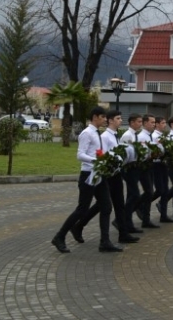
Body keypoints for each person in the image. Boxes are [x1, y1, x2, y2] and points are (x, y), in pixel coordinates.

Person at [51, 106, 122, 254]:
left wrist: (105, 160)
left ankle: (105, 241)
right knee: (82, 209)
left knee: (106, 207)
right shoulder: (87, 133)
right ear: (95, 117)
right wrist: (96, 160)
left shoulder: (97, 134)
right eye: (102, 117)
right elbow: (80, 155)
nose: (104, 120)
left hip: (99, 174)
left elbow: (98, 152)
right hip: (88, 175)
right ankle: (59, 236)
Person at [70, 110, 140, 245]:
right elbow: (103, 154)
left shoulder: (116, 135)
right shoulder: (105, 137)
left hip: (116, 173)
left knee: (118, 204)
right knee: (102, 206)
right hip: (108, 174)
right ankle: (79, 226)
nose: (120, 120)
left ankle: (123, 233)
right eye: (118, 118)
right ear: (110, 120)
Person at [118, 114, 146, 235]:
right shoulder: (127, 135)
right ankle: (124, 220)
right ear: (132, 122)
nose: (140, 123)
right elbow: (124, 153)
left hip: (135, 166)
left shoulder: (135, 135)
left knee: (132, 195)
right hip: (128, 167)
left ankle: (128, 223)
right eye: (139, 121)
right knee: (135, 195)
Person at [135, 115, 160, 229]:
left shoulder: (149, 136)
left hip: (150, 165)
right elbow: (141, 153)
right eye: (151, 122)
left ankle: (146, 218)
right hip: (143, 166)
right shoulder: (141, 136)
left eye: (154, 122)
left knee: (149, 192)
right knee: (148, 192)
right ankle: (137, 209)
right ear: (145, 123)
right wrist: (150, 154)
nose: (154, 124)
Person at [151, 116, 173, 223]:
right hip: (156, 164)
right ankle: (142, 205)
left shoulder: (162, 135)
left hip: (163, 163)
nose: (164, 125)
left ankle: (164, 215)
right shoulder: (154, 136)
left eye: (165, 123)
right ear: (156, 124)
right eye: (162, 123)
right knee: (160, 190)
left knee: (165, 190)